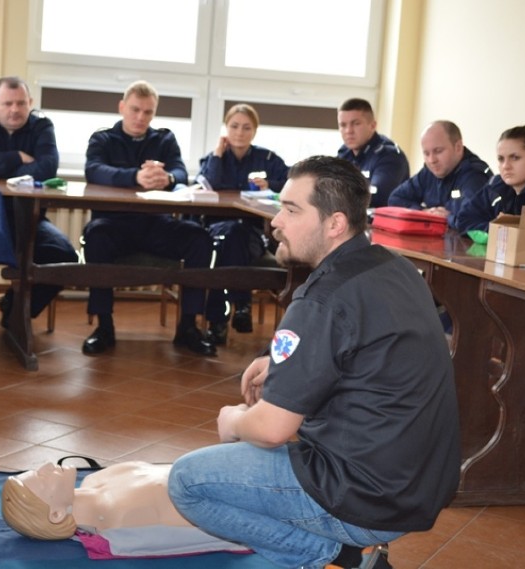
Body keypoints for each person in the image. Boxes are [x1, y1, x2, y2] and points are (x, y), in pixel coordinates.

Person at [167, 156, 461, 569]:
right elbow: (363, 348)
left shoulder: (320, 298)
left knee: (187, 482)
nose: (275, 222)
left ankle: (338, 557)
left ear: (335, 223)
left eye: (291, 210)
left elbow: (271, 429)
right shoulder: (397, 269)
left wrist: (233, 420)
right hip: (423, 485)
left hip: (368, 498)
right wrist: (279, 362)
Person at [82, 80, 215, 356]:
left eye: (148, 112)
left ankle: (188, 327)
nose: (141, 117)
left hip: (157, 223)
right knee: (95, 236)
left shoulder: (164, 139)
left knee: (199, 239)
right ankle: (104, 326)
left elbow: (181, 173)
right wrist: (135, 177)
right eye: (135, 110)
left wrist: (167, 177)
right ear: (122, 107)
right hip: (115, 224)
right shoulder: (102, 139)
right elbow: (94, 170)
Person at [0, 76, 77, 330]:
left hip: (27, 219)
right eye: (7, 103)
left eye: (21, 103)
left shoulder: (42, 126)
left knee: (65, 258)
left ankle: (15, 307)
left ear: (30, 103)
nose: (15, 110)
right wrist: (19, 157)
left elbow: (47, 168)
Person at [1, 461, 248, 557]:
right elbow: (220, 521)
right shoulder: (122, 517)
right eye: (43, 478)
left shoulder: (95, 480)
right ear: (56, 514)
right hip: (245, 489)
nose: (46, 465)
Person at [197, 103, 289, 344]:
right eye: (234, 126)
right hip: (216, 230)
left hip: (254, 234)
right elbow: (210, 183)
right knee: (230, 239)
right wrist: (218, 153)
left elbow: (291, 184)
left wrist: (270, 187)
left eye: (246, 127)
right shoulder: (213, 157)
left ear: (255, 131)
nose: (240, 132)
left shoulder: (267, 159)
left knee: (235, 239)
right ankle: (242, 307)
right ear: (226, 128)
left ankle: (218, 321)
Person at [387, 120, 492, 229]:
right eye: (426, 153)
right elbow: (395, 199)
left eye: (438, 151)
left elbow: (469, 219)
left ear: (458, 147)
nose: (432, 160)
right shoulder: (429, 171)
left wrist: (446, 217)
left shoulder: (475, 176)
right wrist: (424, 212)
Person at [336, 98, 409, 209]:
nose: (348, 131)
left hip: (381, 223)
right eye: (343, 125)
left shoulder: (389, 155)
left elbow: (375, 199)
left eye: (356, 124)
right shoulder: (344, 153)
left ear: (373, 125)